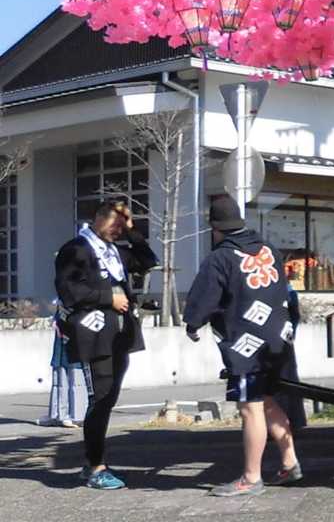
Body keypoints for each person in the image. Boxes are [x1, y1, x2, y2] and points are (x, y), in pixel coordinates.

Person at [183, 196, 300, 497]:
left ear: (215, 228)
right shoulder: (269, 249)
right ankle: (289, 462)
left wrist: (193, 324)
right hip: (278, 341)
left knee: (250, 407)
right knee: (268, 401)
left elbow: (204, 298)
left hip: (247, 346)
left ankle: (251, 478)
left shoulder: (221, 258)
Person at [54, 197, 159, 489]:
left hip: (119, 337)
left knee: (109, 398)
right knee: (99, 399)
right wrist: (107, 298)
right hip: (94, 335)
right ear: (99, 218)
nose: (117, 231)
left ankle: (95, 463)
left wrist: (132, 231)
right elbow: (68, 290)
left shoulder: (115, 252)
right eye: (114, 224)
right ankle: (95, 465)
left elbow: (148, 261)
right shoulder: (76, 249)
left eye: (121, 227)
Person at [38, 300, 86, 429]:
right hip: (62, 336)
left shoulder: (78, 293)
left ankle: (76, 416)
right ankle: (57, 414)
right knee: (59, 374)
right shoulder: (62, 295)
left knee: (75, 376)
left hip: (75, 334)